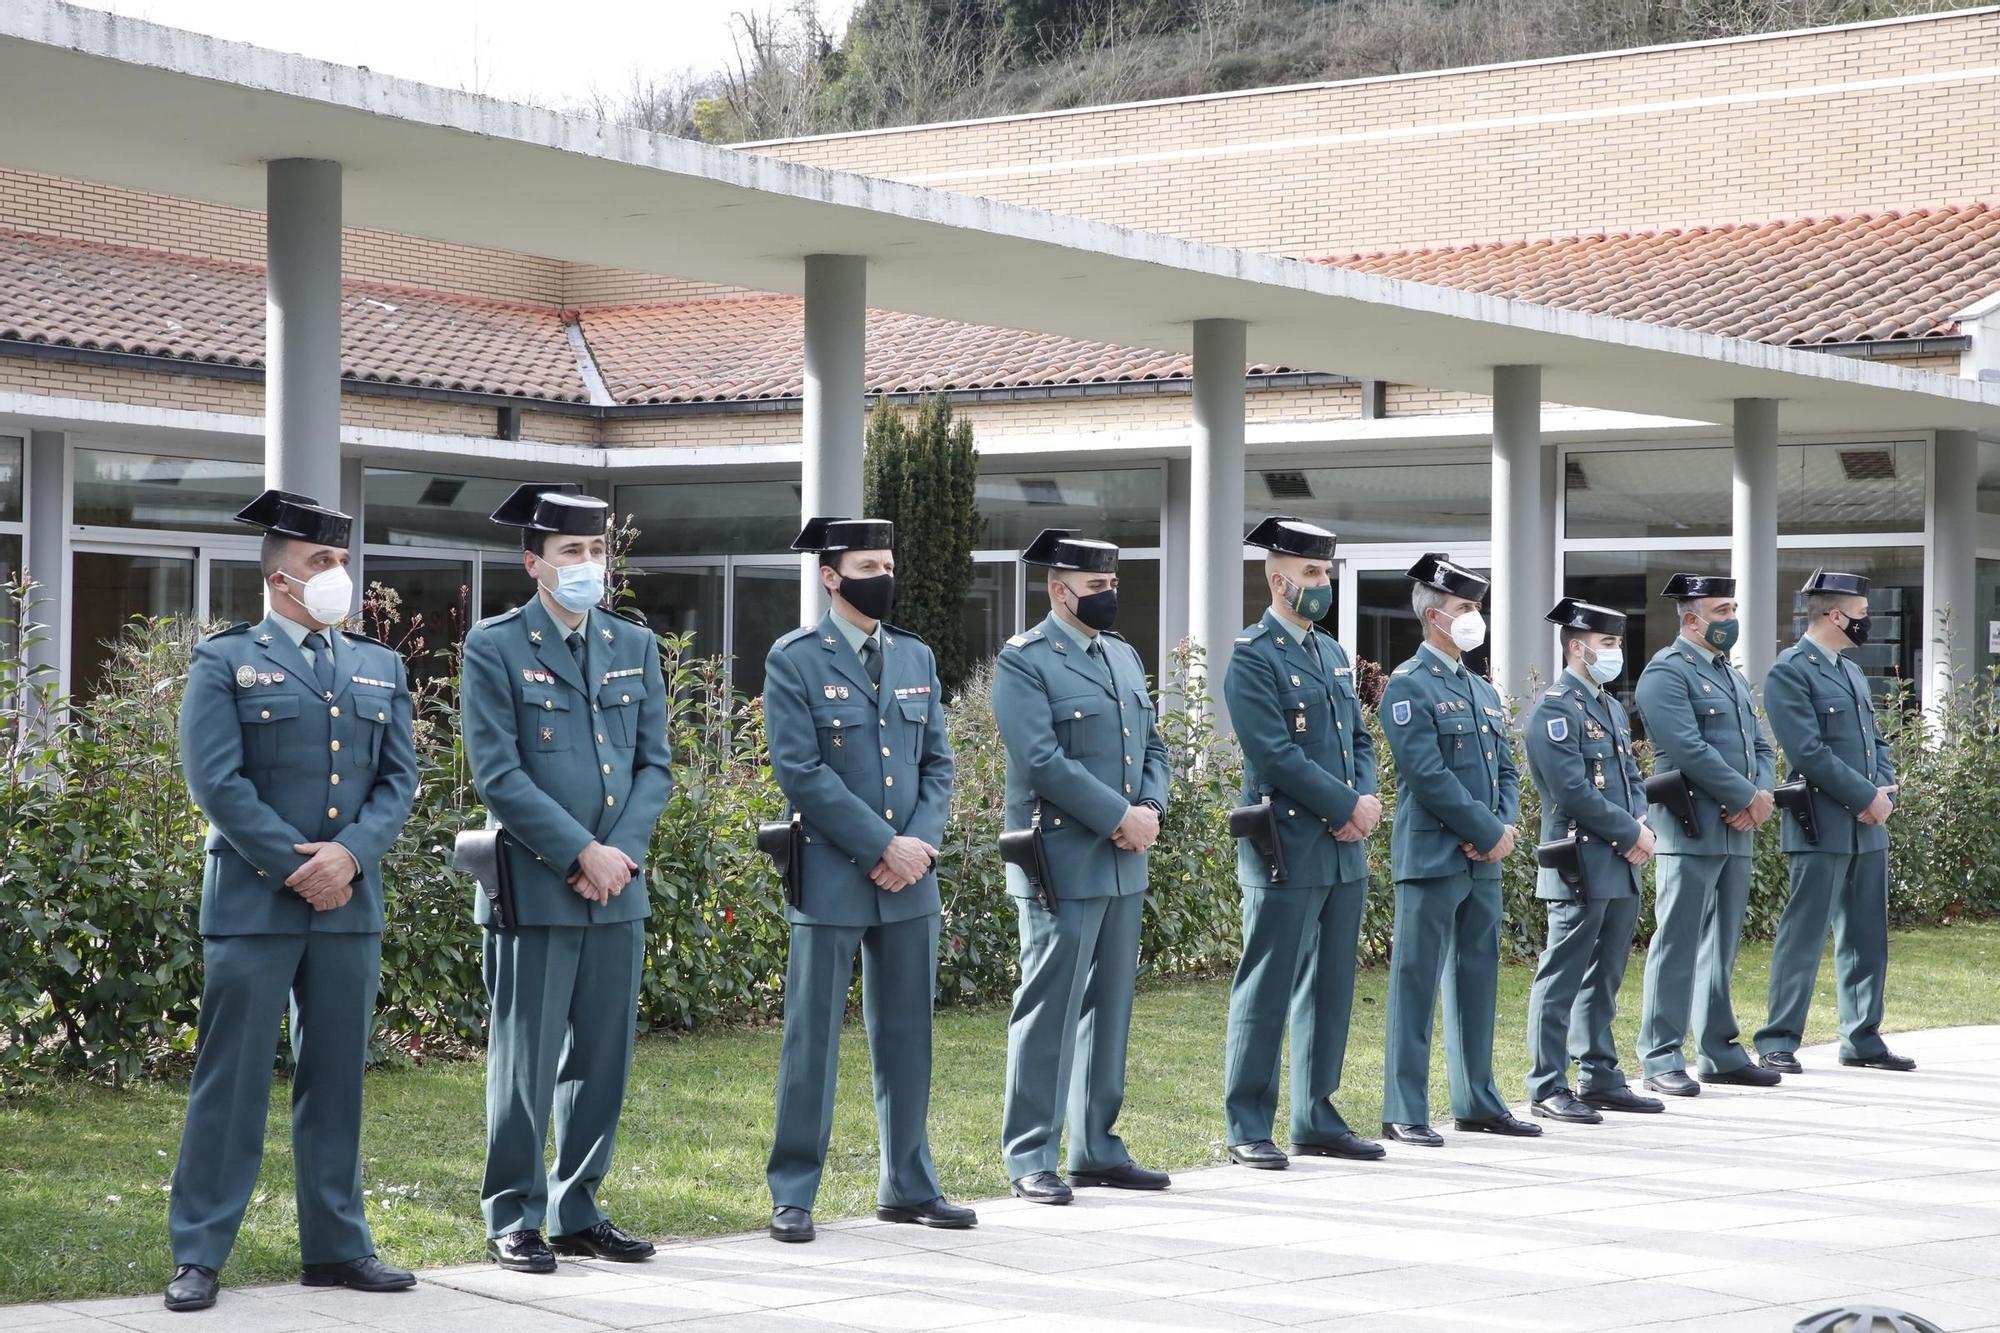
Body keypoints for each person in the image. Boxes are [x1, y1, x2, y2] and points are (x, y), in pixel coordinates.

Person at [165, 489, 418, 1313]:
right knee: (230, 1079)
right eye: (322, 561)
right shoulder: (224, 660)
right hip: (253, 902)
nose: (338, 574)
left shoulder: (380, 664)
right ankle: (200, 1250)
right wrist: (294, 864)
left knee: (337, 1077)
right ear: (281, 579)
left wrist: (348, 855)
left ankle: (338, 1247)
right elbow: (217, 782)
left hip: (349, 902)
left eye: (342, 560)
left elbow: (398, 779)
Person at [461, 483, 671, 1272]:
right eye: (571, 552)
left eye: (596, 550)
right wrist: (581, 851)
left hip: (618, 885)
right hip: (539, 883)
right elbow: (500, 774)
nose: (588, 564)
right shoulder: (497, 643)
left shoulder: (632, 644)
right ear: (534, 563)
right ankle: (513, 1212)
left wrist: (618, 852)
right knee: (527, 1058)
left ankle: (578, 1205)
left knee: (602, 1057)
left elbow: (655, 765)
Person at [762, 517, 974, 1242]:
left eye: (888, 561)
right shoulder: (794, 659)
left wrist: (918, 843)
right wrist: (882, 842)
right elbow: (800, 771)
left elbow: (938, 764)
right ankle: (793, 1190)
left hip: (912, 877)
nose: (883, 574)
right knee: (811, 1040)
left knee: (910, 1034)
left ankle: (908, 1181)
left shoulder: (914, 655)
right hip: (832, 872)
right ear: (830, 575)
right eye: (867, 564)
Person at [993, 528, 1171, 1205]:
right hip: (1060, 860)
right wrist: (1117, 816)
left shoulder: (1122, 656)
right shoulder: (1025, 660)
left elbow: (1151, 742)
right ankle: (1030, 1151)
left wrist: (1150, 804)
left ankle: (1096, 1145)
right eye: (1096, 587)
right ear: (1058, 589)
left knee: (1110, 1008)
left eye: (1112, 584)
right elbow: (1041, 760)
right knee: (1050, 1007)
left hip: (1124, 862)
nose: (1109, 595)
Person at [1219, 517, 1385, 1170]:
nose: (1322, 584)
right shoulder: (1253, 655)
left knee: (1331, 987)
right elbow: (1276, 755)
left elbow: (1361, 740)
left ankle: (1316, 1113)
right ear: (1276, 576)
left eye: (1327, 573)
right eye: (1311, 573)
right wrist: (1345, 805)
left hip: (1343, 849)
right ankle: (1247, 1121)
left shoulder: (1332, 653)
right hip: (1286, 844)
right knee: (1267, 987)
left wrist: (1363, 802)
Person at [1377, 553, 1538, 1146]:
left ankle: (1477, 1100)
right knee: (1415, 982)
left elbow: (1506, 770)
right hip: (1433, 855)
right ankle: (1404, 1108)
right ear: (1433, 615)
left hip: (1484, 858)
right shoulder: (1408, 684)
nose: (1475, 618)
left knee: (1477, 979)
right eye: (1465, 608)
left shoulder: (1481, 689)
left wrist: (1503, 824)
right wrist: (1484, 830)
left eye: (1477, 608)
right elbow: (1425, 773)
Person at [1755, 569, 1915, 1075]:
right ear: (1835, 615)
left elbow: (1877, 741)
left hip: (1869, 824)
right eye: (1863, 616)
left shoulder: (1848, 670)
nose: (1868, 623)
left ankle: (1862, 1037)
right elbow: (1806, 750)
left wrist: (1884, 791)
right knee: (1804, 933)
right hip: (1820, 822)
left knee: (1867, 934)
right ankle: (1778, 1038)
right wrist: (1864, 795)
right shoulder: (1790, 670)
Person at [1632, 574, 1780, 1095]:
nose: (1731, 619)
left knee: (1721, 945)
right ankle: (1660, 1055)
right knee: (1677, 942)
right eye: (1721, 610)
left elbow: (1761, 747)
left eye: (1733, 608)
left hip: (1736, 829)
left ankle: (1718, 1051)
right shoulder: (1665, 675)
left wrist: (1760, 796)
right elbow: (1689, 749)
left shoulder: (1731, 677)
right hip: (1690, 826)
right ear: (1691, 619)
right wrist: (1746, 797)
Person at [1522, 597, 1663, 1124]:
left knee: (1604, 975)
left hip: (1621, 859)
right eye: (1607, 644)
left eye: (1618, 643)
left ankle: (1600, 1075)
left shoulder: (1604, 704)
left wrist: (1641, 824)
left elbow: (1629, 778)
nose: (1616, 652)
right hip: (1580, 858)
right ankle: (1547, 1082)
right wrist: (1631, 832)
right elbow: (1572, 791)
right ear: (1576, 647)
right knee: (1562, 974)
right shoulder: (1557, 709)